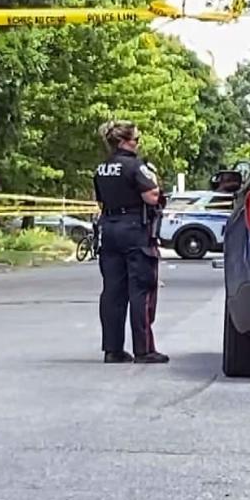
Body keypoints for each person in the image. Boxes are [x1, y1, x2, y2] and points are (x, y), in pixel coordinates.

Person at [93, 120, 169, 364]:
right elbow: (151, 195)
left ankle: (112, 349)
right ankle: (144, 349)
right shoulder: (136, 166)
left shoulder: (101, 168)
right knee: (142, 289)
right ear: (125, 141)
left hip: (109, 229)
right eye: (136, 139)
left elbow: (100, 199)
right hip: (135, 230)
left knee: (113, 292)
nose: (138, 143)